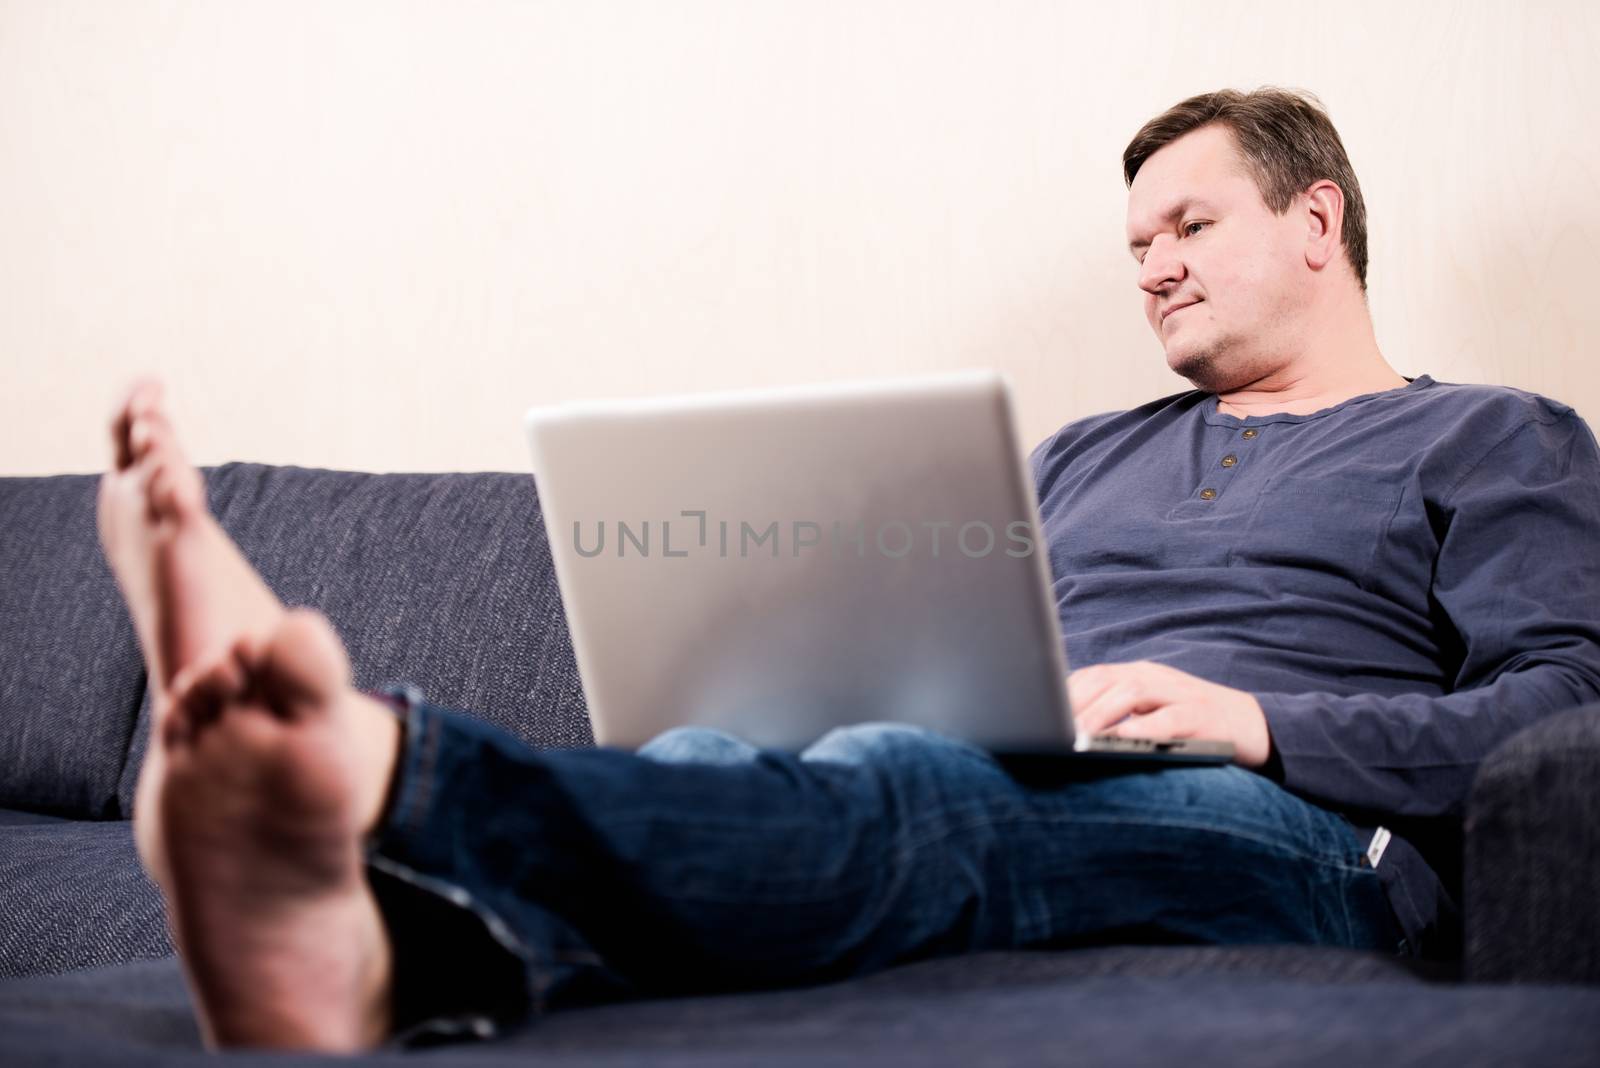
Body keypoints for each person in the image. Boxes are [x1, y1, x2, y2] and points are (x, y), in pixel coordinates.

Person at [96, 87, 1600, 1052]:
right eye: (1135, 240)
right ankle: (360, 965)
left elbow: (1561, 709)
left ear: (1317, 220)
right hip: (1029, 757)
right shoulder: (1082, 452)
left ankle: (375, 785)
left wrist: (1253, 719)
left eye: (1189, 224)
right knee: (723, 746)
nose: (1150, 265)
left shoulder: (1490, 437)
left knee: (913, 782)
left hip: (1305, 833)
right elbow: (951, 634)